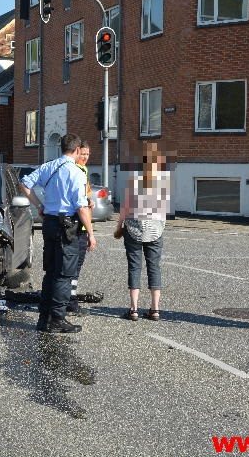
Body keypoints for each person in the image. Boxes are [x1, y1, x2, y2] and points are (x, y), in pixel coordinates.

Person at [20, 134, 97, 333]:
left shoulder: (49, 166)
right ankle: (57, 318)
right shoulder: (76, 172)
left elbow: (25, 183)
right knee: (64, 274)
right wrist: (90, 233)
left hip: (50, 222)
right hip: (67, 226)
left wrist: (40, 205)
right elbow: (81, 207)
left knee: (51, 272)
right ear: (77, 150)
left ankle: (44, 318)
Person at [114, 141, 170, 321]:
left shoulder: (134, 181)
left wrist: (118, 228)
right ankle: (155, 309)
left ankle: (134, 309)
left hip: (134, 229)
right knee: (154, 267)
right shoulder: (163, 184)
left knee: (134, 267)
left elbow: (125, 208)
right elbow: (165, 209)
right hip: (155, 230)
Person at [67, 141, 94, 315]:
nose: (84, 157)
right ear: (76, 153)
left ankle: (71, 296)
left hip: (83, 225)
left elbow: (86, 194)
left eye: (87, 154)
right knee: (72, 265)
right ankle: (70, 299)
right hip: (77, 225)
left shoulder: (84, 171)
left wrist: (89, 200)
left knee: (77, 265)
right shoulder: (75, 171)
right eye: (82, 154)